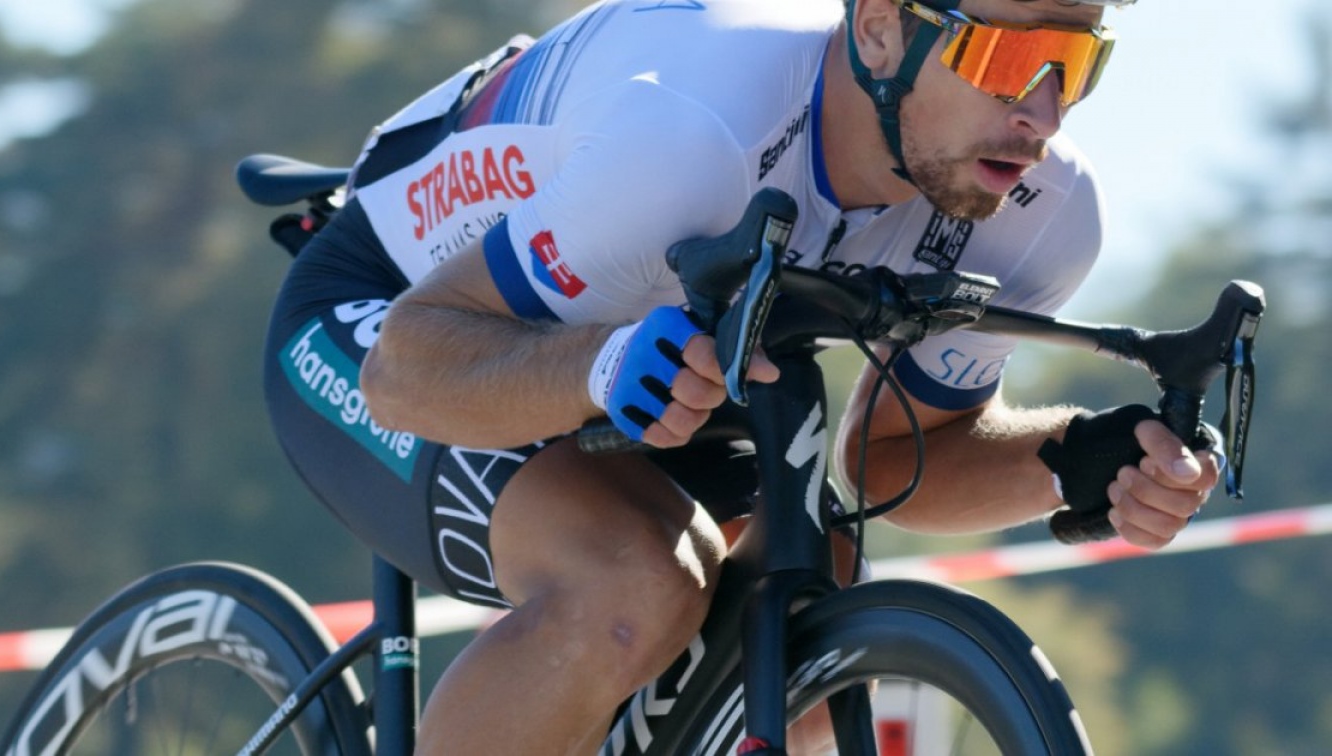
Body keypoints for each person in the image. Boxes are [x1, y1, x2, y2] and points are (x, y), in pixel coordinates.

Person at [262, 0, 1222, 752]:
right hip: (404, 317)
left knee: (818, 605)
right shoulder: (695, 141)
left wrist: (1070, 461)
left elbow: (895, 459)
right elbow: (401, 371)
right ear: (880, 29)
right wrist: (600, 362)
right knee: (632, 581)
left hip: (642, 340)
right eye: (1009, 58)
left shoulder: (1040, 209)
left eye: (1075, 64)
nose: (1042, 113)